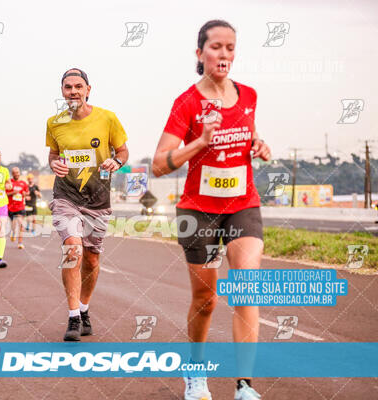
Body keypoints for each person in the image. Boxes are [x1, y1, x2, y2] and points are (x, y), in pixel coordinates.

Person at [152, 20, 271, 400]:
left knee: (247, 287)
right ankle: (195, 374)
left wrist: (258, 144)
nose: (224, 55)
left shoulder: (249, 95)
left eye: (230, 47)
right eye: (216, 47)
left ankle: (244, 386)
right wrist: (200, 142)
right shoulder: (187, 103)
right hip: (198, 210)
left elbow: (245, 132)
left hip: (242, 205)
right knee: (206, 300)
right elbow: (159, 164)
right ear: (199, 53)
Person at [46, 68, 129, 341]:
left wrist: (116, 161)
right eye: (68, 87)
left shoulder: (107, 118)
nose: (73, 91)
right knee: (73, 247)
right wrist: (54, 164)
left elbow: (123, 150)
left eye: (78, 86)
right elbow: (53, 154)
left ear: (88, 89)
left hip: (97, 198)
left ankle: (83, 309)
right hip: (66, 196)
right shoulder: (54, 122)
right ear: (62, 91)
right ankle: (72, 318)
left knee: (92, 257)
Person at [6, 167, 29, 249]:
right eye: (14, 172)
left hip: (20, 207)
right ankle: (13, 232)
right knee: (14, 225)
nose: (16, 174)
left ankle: (20, 243)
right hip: (11, 208)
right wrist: (13, 193)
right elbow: (5, 194)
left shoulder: (23, 183)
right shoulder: (9, 183)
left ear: (19, 173)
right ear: (12, 174)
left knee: (21, 224)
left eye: (17, 172)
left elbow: (27, 193)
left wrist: (24, 194)